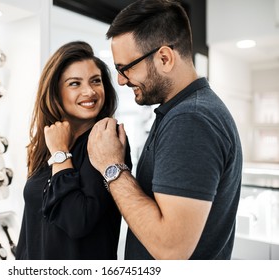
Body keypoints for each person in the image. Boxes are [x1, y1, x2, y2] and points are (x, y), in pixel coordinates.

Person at [87, 0, 243, 260]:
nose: (121, 80)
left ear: (164, 58)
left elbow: (171, 248)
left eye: (125, 68)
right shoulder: (181, 111)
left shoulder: (191, 119)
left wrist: (111, 167)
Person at [16, 41, 132, 260]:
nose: (89, 91)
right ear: (55, 91)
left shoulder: (107, 140)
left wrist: (60, 155)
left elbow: (76, 221)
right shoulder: (48, 141)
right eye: (74, 84)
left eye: (96, 81)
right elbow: (30, 228)